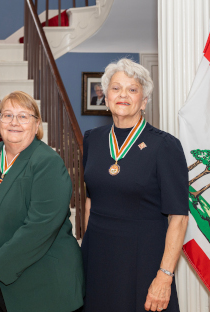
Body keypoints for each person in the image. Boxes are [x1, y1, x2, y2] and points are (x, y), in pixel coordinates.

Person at [81, 58, 189, 312]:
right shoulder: (92, 140)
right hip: (97, 259)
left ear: (144, 100)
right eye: (116, 88)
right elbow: (90, 200)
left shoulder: (165, 146)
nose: (123, 95)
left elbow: (179, 218)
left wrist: (165, 275)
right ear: (105, 97)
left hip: (143, 262)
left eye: (133, 89)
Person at [0, 91, 84, 312]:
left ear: (36, 124)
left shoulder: (47, 163)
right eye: (7, 115)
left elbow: (40, 227)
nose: (14, 122)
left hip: (39, 282)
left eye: (23, 116)